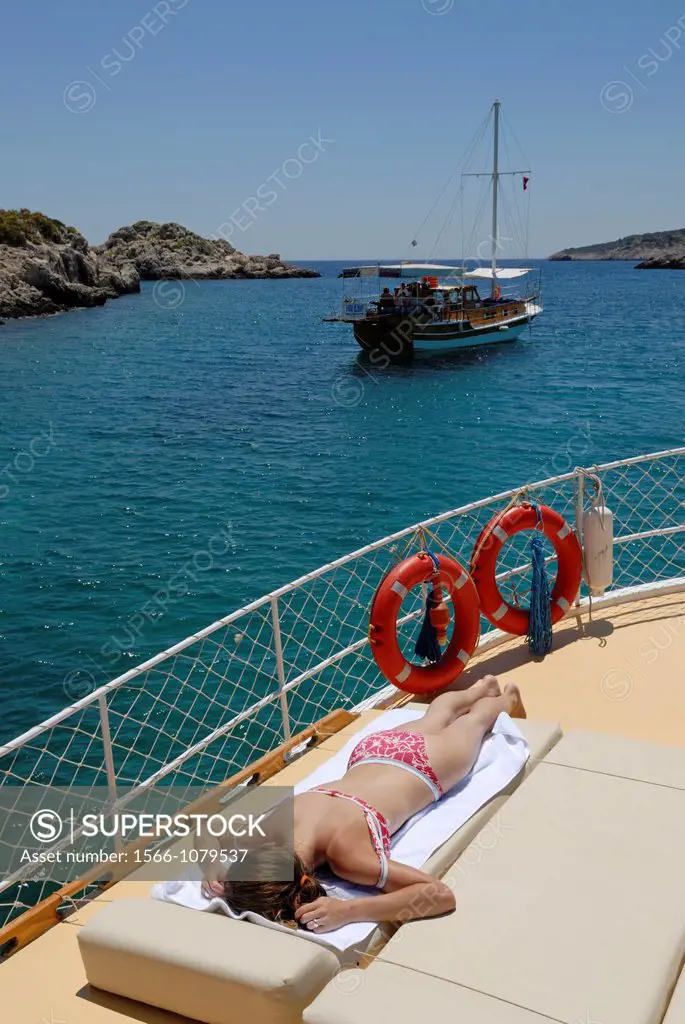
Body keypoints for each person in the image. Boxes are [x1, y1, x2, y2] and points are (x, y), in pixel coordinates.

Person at [203, 676, 525, 933]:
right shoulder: (272, 828)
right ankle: (480, 688)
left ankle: (506, 697)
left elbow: (439, 895)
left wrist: (349, 911)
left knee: (476, 723)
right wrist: (213, 865)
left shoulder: (346, 856)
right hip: (374, 752)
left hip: (425, 765)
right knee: (436, 715)